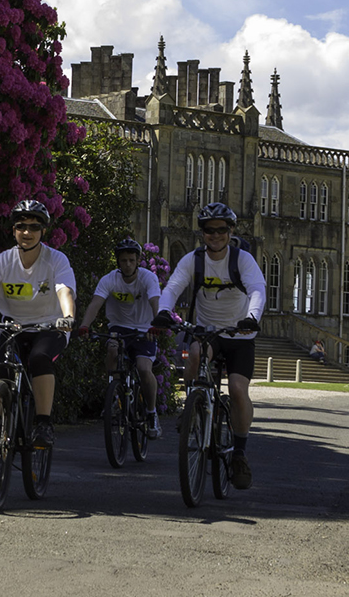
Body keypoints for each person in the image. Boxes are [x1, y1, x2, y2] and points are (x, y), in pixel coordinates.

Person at [151, 203, 265, 489]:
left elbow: (257, 289)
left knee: (238, 390)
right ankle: (193, 407)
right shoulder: (194, 259)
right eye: (209, 230)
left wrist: (252, 317)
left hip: (240, 335)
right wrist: (165, 310)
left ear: (230, 231)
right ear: (202, 233)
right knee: (195, 354)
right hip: (207, 331)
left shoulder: (243, 260)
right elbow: (174, 286)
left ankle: (239, 452)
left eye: (221, 230)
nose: (215, 235)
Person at [0, 200, 76, 448]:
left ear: (43, 231)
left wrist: (68, 317)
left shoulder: (56, 260)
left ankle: (43, 423)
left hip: (50, 326)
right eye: (21, 226)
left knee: (40, 359)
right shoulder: (2, 261)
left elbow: (64, 290)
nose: (27, 232)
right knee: (2, 365)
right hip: (13, 327)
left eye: (34, 227)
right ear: (13, 230)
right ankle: (1, 423)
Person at [76, 238, 164, 439]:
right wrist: (84, 326)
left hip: (144, 329)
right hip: (119, 328)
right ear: (118, 262)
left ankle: (151, 413)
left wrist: (157, 324)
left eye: (132, 260)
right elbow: (95, 304)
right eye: (123, 261)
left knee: (143, 368)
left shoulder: (147, 278)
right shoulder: (109, 279)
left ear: (138, 260)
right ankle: (115, 393)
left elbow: (155, 302)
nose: (128, 265)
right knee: (112, 348)